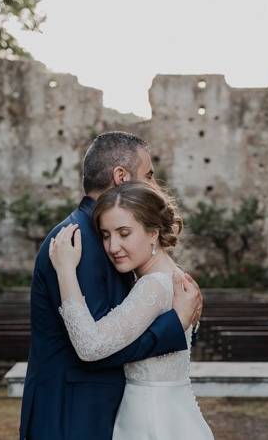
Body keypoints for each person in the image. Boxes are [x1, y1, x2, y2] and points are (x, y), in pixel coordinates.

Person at [19, 132, 203, 440]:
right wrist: (173, 327)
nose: (153, 186)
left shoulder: (114, 247)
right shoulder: (78, 243)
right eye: (148, 175)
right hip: (72, 414)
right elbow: (92, 348)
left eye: (122, 233)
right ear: (121, 176)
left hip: (115, 413)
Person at [49, 181, 214, 440]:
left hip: (151, 416)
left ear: (153, 232)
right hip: (171, 408)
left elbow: (90, 346)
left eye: (124, 233)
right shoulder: (173, 276)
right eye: (106, 235)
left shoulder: (154, 285)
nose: (113, 246)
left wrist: (65, 271)